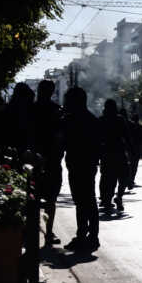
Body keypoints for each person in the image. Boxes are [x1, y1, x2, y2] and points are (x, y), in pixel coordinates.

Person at [62, 87, 102, 251]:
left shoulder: (72, 120)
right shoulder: (92, 119)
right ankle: (92, 236)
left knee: (82, 202)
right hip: (88, 164)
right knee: (89, 200)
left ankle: (83, 236)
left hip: (78, 165)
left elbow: (65, 141)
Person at [33, 80, 64, 247]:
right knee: (50, 200)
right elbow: (61, 138)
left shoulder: (31, 110)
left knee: (34, 199)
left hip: (35, 160)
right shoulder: (56, 111)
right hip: (51, 161)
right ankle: (48, 232)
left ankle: (33, 231)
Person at [98, 100, 129, 215]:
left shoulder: (102, 120)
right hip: (117, 152)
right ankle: (116, 197)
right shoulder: (119, 119)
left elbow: (96, 139)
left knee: (108, 178)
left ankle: (107, 198)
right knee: (122, 177)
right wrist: (131, 151)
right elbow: (127, 136)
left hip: (107, 153)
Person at [125, 109, 142, 189]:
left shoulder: (129, 126)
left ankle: (129, 179)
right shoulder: (140, 127)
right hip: (136, 148)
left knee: (130, 165)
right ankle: (131, 179)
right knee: (134, 165)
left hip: (130, 148)